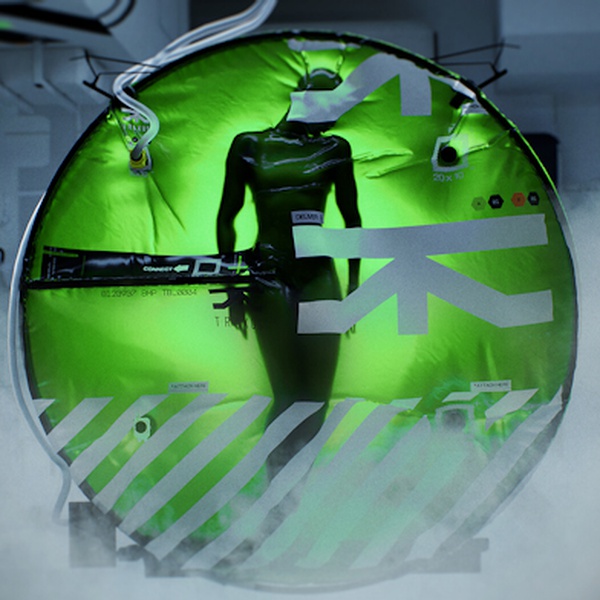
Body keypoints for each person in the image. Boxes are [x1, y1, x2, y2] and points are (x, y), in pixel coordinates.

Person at [217, 69, 361, 476]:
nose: (335, 114)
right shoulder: (250, 145)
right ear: (305, 97)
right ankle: (275, 493)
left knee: (315, 399)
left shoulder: (335, 148)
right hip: (269, 272)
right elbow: (227, 217)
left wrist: (355, 287)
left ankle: (295, 490)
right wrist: (231, 286)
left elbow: (352, 220)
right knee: (287, 395)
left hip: (317, 276)